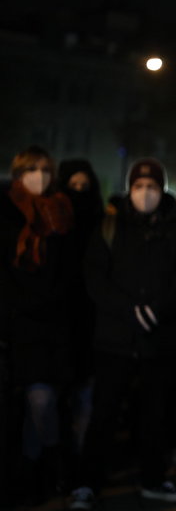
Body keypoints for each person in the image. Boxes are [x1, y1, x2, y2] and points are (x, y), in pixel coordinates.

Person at [68, 158, 176, 509]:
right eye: (139, 186)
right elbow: (95, 277)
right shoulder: (110, 226)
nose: (145, 193)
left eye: (152, 187)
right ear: (130, 188)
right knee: (104, 413)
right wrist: (129, 309)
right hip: (115, 340)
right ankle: (87, 483)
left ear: (162, 190)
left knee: (154, 415)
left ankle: (152, 479)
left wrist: (157, 310)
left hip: (160, 340)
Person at [0, 146, 75, 504]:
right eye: (32, 169)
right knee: (38, 400)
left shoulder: (63, 210)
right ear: (18, 173)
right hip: (22, 327)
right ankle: (51, 466)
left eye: (46, 169)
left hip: (57, 328)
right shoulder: (7, 212)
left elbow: (70, 271)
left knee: (42, 405)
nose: (40, 176)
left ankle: (37, 472)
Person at [56, 159, 104, 465]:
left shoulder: (102, 223)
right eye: (72, 187)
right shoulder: (54, 222)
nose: (78, 193)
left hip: (93, 317)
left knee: (87, 393)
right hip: (59, 318)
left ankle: (80, 458)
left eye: (84, 187)